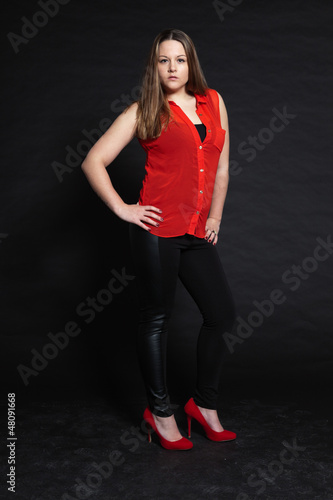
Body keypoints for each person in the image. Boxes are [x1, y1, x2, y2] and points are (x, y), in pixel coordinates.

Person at [81, 28, 236, 450]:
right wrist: (123, 208)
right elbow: (94, 160)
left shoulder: (214, 101)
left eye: (180, 59)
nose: (173, 67)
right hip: (156, 230)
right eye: (164, 60)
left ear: (191, 64)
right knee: (156, 320)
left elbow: (221, 167)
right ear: (155, 66)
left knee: (222, 316)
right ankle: (161, 412)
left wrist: (216, 215)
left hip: (195, 229)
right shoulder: (144, 110)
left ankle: (203, 405)